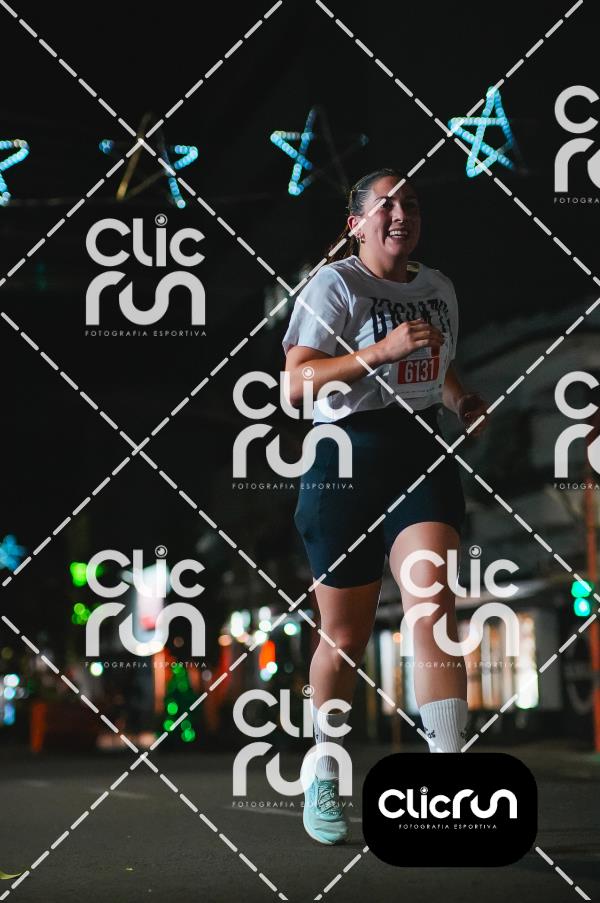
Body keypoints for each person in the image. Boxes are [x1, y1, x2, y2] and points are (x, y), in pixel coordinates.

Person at [282, 168, 488, 844]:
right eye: (387, 205)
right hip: (344, 458)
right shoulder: (335, 285)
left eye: (413, 204)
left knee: (433, 605)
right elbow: (296, 384)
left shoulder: (438, 288)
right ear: (357, 224)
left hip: (418, 452)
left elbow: (437, 360)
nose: (402, 214)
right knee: (344, 637)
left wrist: (460, 400)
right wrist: (380, 351)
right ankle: (324, 769)